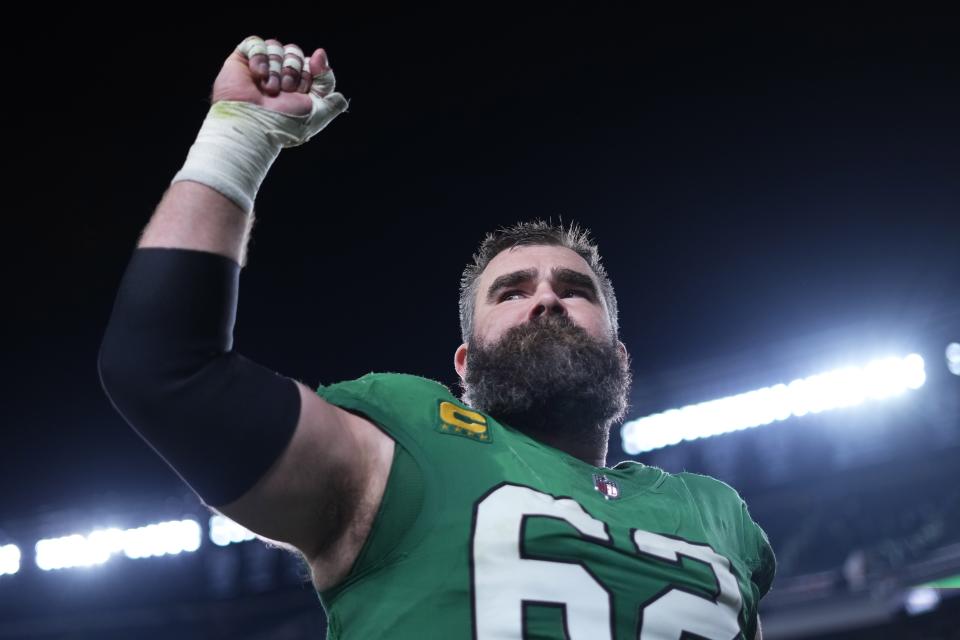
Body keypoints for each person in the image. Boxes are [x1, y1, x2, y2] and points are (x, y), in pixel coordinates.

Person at [99, 35, 775, 639]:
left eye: (575, 289)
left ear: (620, 355)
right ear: (465, 361)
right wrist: (237, 138)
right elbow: (162, 370)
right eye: (511, 292)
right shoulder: (407, 445)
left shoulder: (716, 514)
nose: (546, 299)